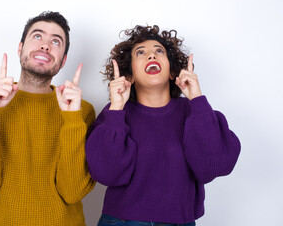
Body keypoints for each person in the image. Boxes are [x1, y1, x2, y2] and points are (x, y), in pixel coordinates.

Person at [85, 25, 241, 226]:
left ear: (171, 71)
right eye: (140, 53)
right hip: (123, 221)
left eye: (159, 51)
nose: (151, 56)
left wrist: (196, 98)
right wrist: (116, 107)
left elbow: (215, 166)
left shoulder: (194, 110)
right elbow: (106, 173)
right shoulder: (115, 113)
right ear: (129, 76)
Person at [0, 11, 95, 225]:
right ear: (20, 48)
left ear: (63, 60)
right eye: (37, 36)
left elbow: (73, 192)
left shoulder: (80, 111)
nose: (45, 45)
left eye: (56, 41)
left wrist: (72, 120)